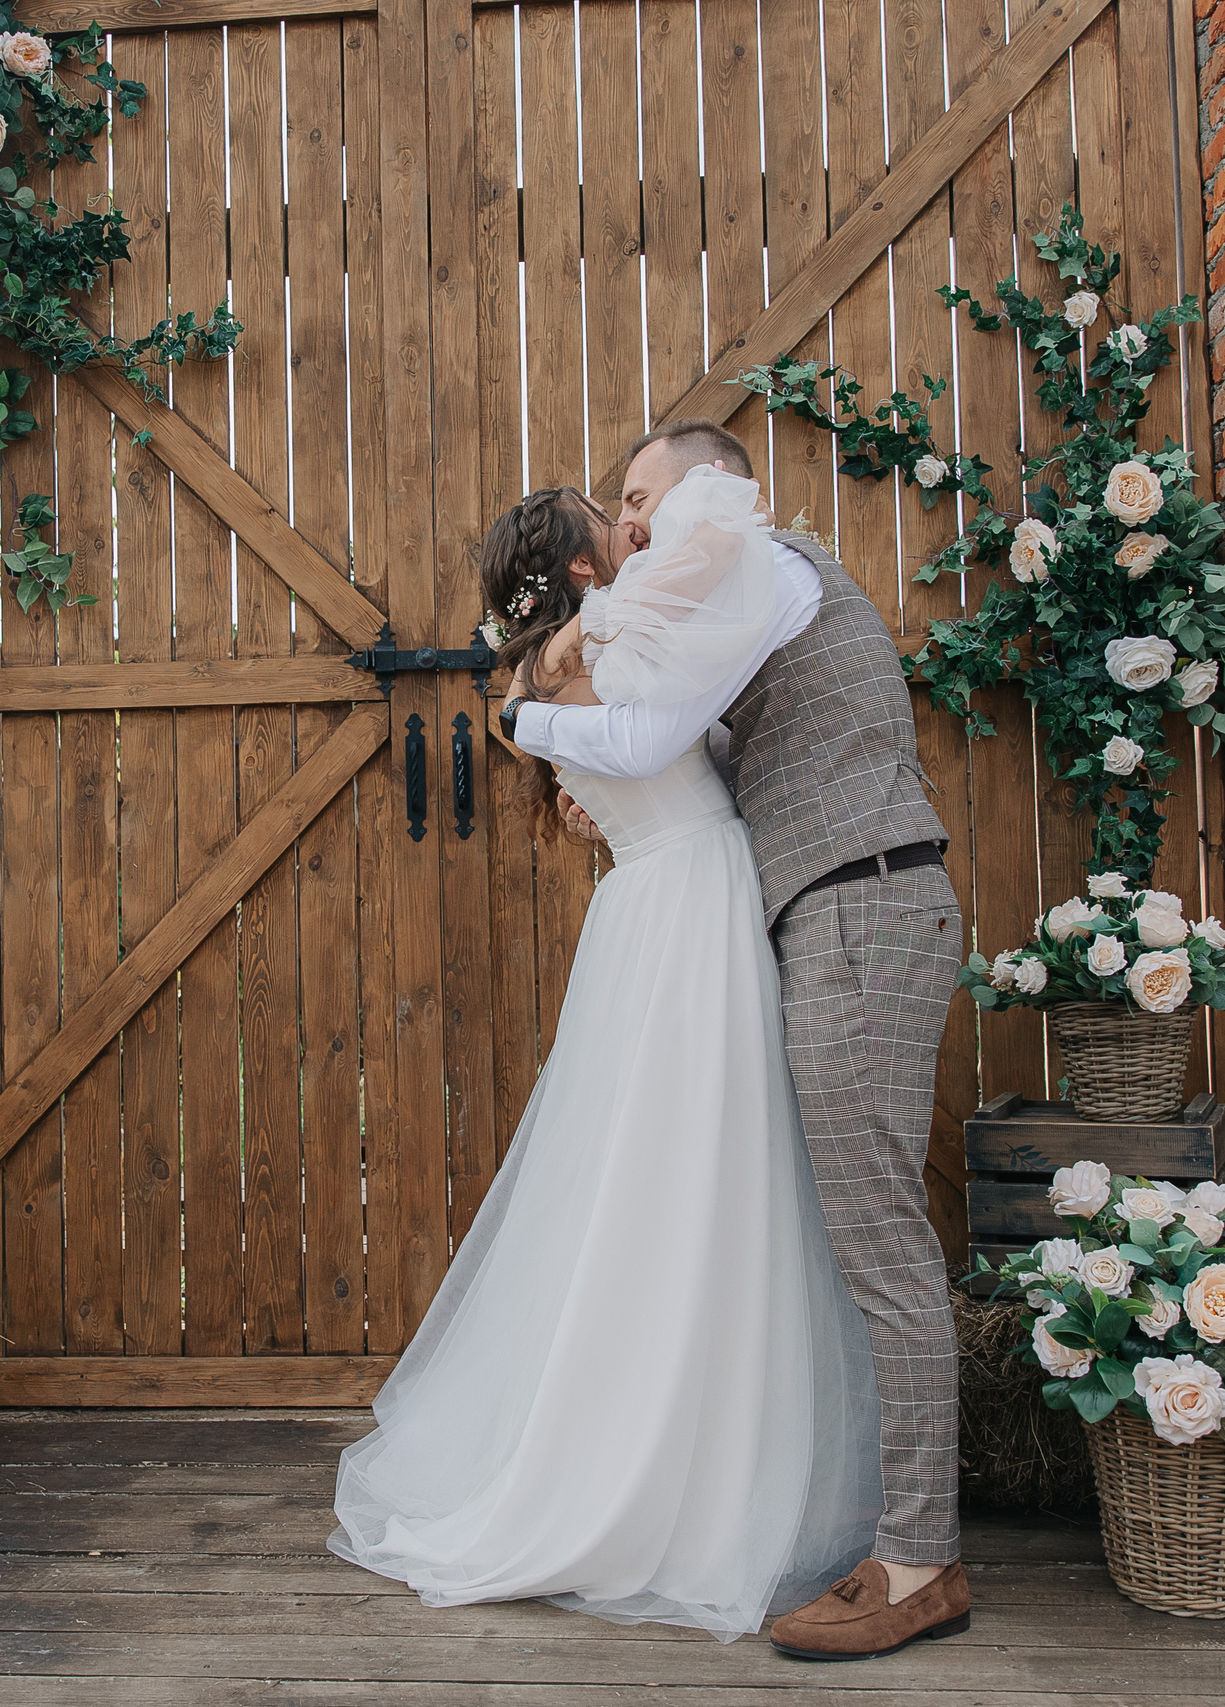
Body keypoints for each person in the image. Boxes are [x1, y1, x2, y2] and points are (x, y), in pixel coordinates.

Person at [324, 473, 884, 1643]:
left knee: (664, 1180)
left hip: (654, 905)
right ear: (582, 569)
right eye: (611, 519)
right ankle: (675, 1468)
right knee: (697, 1175)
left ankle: (667, 1433)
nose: (635, 528)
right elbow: (655, 739)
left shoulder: (551, 662)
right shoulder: (589, 650)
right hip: (688, 906)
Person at [507, 421, 968, 1662]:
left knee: (878, 1240)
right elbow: (698, 741)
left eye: (640, 495)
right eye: (621, 509)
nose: (635, 524)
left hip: (864, 902)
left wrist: (526, 724)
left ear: (706, 480)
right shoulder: (734, 589)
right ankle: (879, 1526)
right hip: (829, 902)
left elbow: (654, 739)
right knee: (849, 1230)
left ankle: (919, 1561)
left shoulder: (756, 558)